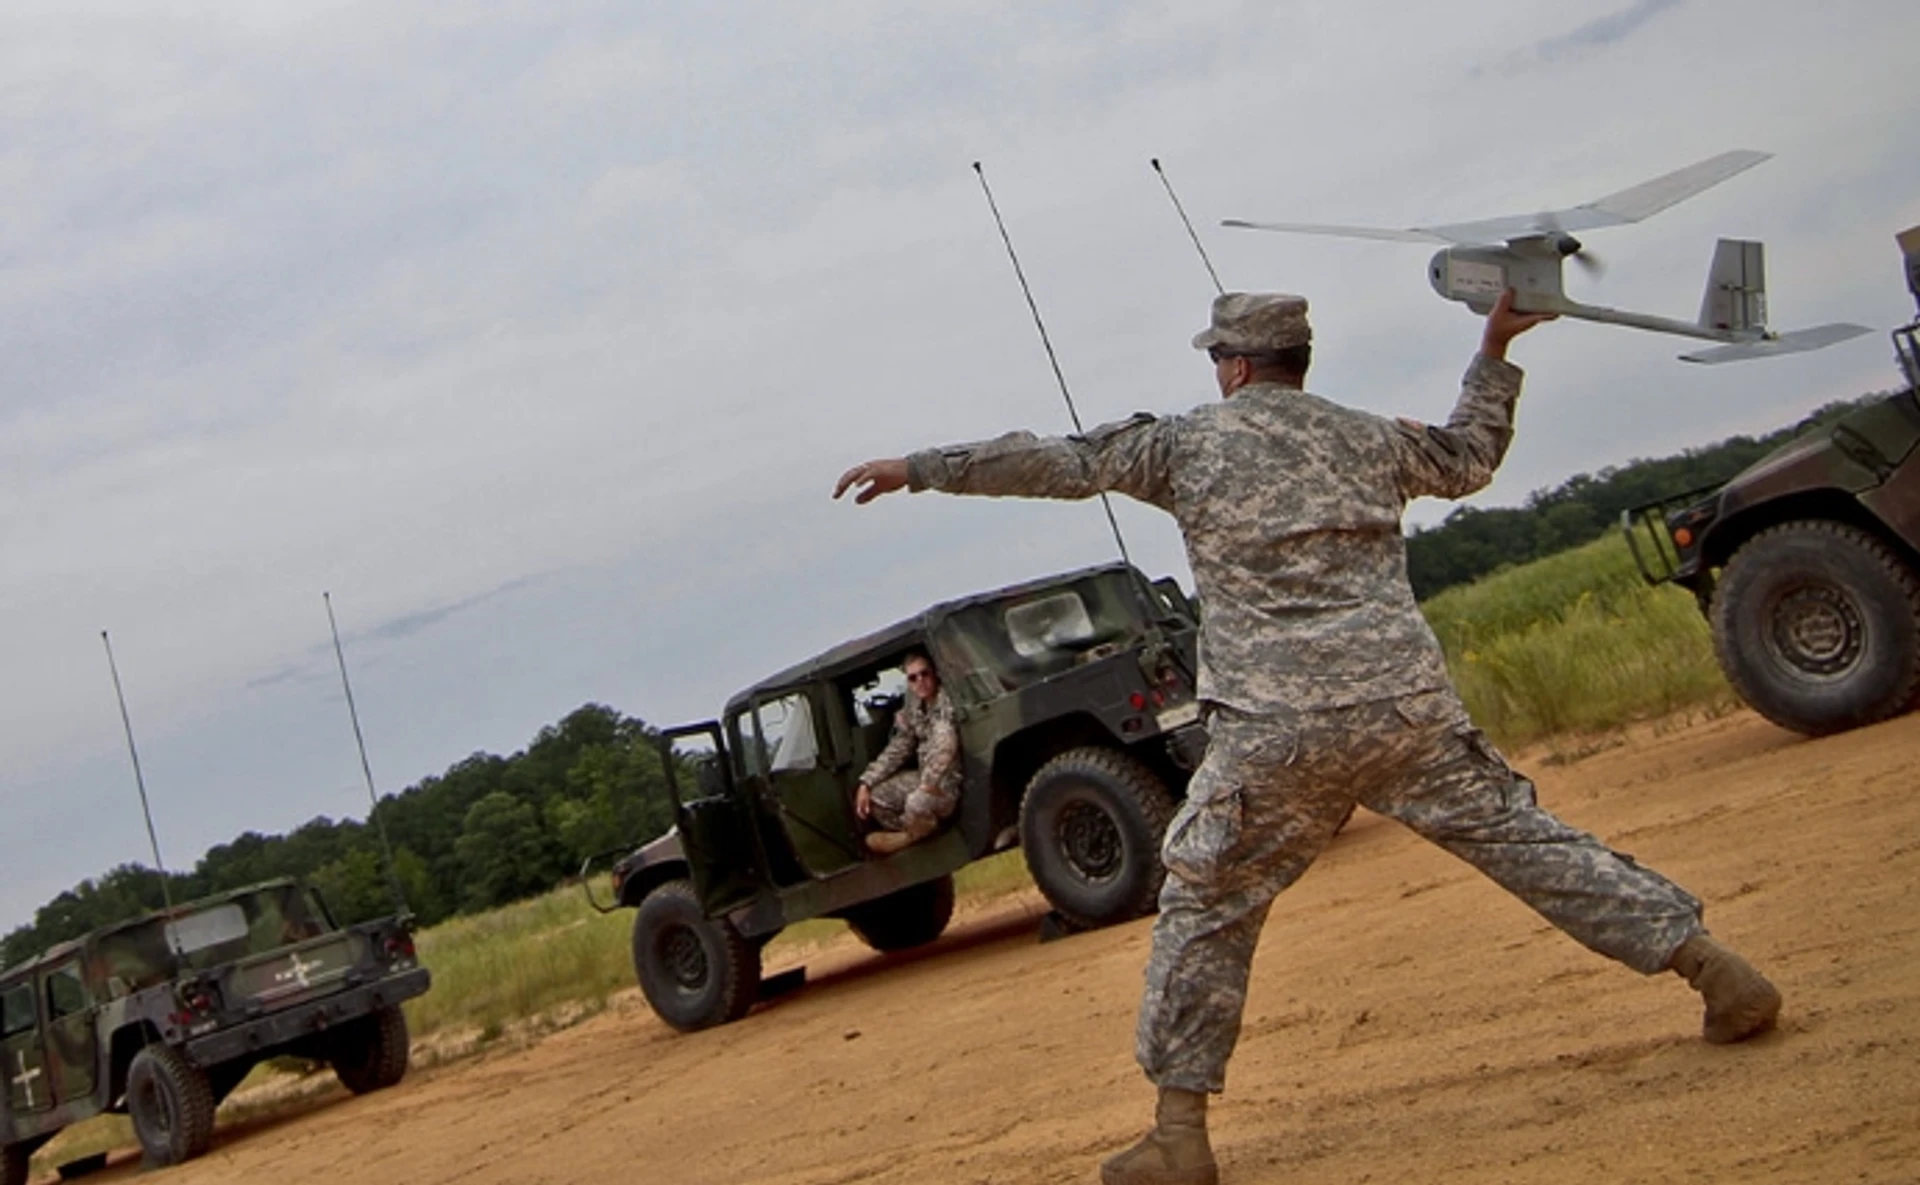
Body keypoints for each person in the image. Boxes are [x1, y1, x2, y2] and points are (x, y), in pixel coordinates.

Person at [833, 290, 1781, 1185]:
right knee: (1531, 844)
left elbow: (1057, 462)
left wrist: (920, 467)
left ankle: (1179, 1135)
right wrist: (1494, 347)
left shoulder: (1183, 446)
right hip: (1406, 711)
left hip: (1273, 736)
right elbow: (1470, 457)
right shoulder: (1368, 436)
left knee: (1206, 904)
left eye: (1219, 359)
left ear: (1239, 368)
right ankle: (1718, 973)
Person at [853, 651, 962, 855]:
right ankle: (919, 830)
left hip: (946, 784)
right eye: (913, 678)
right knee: (876, 799)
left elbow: (946, 745)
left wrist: (927, 785)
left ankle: (909, 837)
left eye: (924, 674)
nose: (920, 681)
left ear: (934, 674)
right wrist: (866, 782)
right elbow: (899, 747)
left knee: (916, 802)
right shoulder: (914, 706)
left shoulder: (946, 702)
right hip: (923, 779)